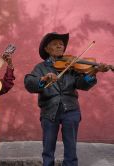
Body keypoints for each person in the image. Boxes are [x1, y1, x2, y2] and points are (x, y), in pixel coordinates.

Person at [24, 32, 109, 166]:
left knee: (71, 149)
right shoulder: (40, 68)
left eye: (61, 44)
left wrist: (94, 71)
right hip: (49, 111)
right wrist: (43, 79)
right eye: (55, 44)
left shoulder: (71, 66)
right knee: (48, 149)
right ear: (47, 49)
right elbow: (29, 83)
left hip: (71, 109)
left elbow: (82, 84)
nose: (60, 46)